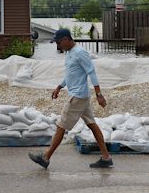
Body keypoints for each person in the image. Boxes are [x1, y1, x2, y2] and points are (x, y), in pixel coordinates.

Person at [28, 28, 113, 169]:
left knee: (61, 126)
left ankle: (46, 157)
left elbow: (91, 72)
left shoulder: (80, 53)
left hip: (77, 97)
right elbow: (70, 75)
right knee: (92, 124)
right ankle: (106, 157)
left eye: (59, 42)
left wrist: (99, 95)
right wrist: (59, 87)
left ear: (67, 39)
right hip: (81, 97)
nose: (58, 46)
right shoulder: (68, 53)